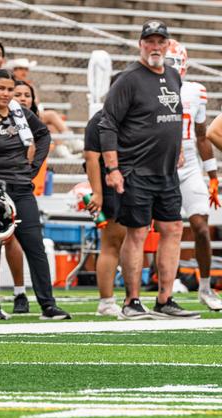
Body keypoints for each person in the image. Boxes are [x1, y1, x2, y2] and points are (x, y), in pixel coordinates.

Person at [99, 20, 198, 320]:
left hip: (166, 170)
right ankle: (132, 302)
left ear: (168, 45)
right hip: (135, 169)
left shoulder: (172, 74)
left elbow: (175, 115)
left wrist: (178, 148)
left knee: (173, 229)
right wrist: (113, 168)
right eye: (150, 41)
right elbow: (107, 124)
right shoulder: (128, 78)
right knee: (138, 232)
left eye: (161, 42)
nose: (155, 47)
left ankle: (165, 299)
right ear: (141, 44)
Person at [0, 70, 70, 320]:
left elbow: (43, 134)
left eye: (9, 89)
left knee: (35, 245)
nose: (5, 94)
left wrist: (34, 167)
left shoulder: (21, 113)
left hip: (22, 187)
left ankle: (48, 305)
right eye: (0, 89)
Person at [164, 39, 222, 311]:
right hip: (160, 165)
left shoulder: (195, 91)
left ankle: (205, 288)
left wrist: (212, 175)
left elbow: (201, 136)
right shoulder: (150, 89)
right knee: (166, 230)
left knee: (201, 226)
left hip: (188, 168)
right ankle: (164, 289)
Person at [83, 74, 126, 317]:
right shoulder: (99, 120)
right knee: (113, 242)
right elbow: (91, 157)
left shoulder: (139, 119)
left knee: (132, 243)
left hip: (137, 184)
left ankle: (133, 299)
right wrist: (97, 193)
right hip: (111, 186)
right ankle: (107, 301)